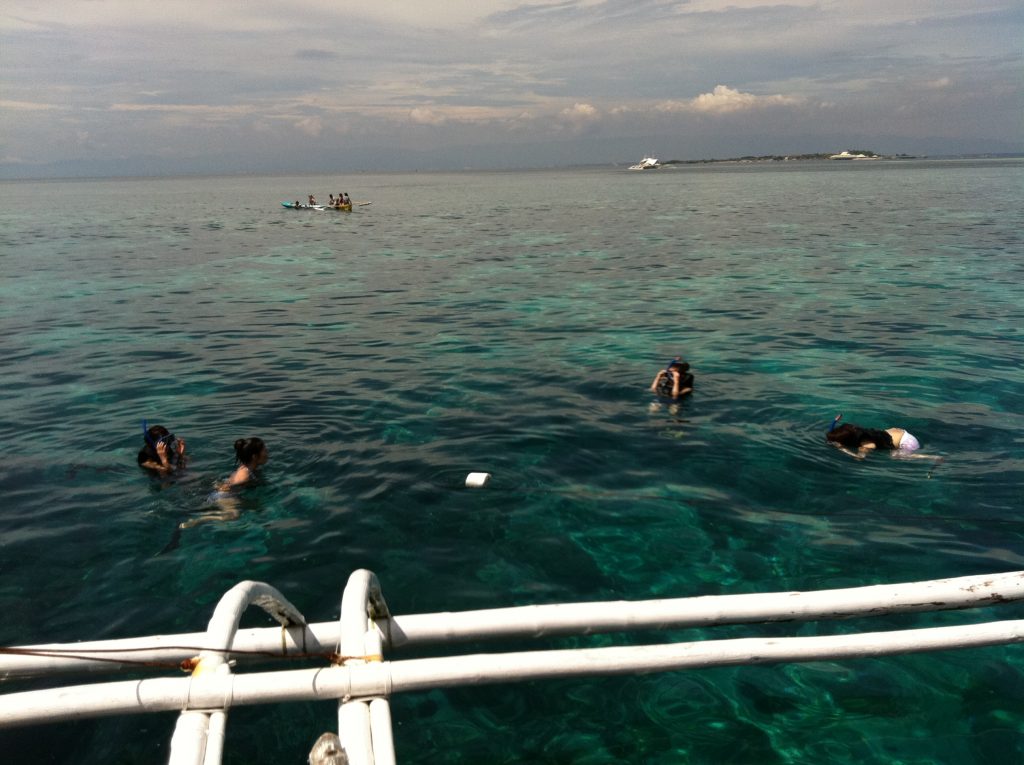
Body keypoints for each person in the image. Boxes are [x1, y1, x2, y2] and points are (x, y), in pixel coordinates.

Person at [825, 415, 930, 459]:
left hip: (908, 443)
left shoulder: (865, 444)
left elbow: (859, 458)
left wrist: (842, 449)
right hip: (901, 433)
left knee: (893, 456)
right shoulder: (861, 432)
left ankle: (932, 457)